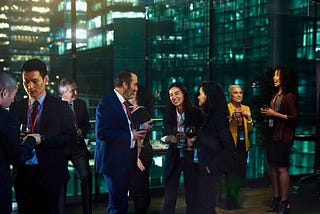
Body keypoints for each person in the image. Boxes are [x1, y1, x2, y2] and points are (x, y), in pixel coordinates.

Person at [9, 58, 77, 214]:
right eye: (26, 82)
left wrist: (43, 138)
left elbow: (70, 138)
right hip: (23, 174)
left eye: (35, 81)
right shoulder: (16, 107)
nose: (30, 87)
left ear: (45, 79)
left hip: (50, 173)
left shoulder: (60, 107)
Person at [94, 69, 153, 214]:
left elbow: (123, 128)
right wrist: (131, 135)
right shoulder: (107, 103)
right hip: (113, 163)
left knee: (118, 204)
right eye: (135, 84)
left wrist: (138, 131)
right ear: (125, 84)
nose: (136, 88)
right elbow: (102, 132)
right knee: (118, 205)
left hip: (123, 162)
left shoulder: (123, 104)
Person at [160, 82, 203, 214]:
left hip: (191, 156)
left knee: (192, 192)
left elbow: (202, 132)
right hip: (174, 155)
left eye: (176, 93)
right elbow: (164, 134)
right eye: (171, 95)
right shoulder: (168, 112)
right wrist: (168, 138)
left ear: (184, 93)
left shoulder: (196, 112)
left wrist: (193, 138)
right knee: (170, 193)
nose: (174, 97)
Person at [0, 72, 39, 214]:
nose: (12, 101)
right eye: (12, 96)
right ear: (4, 93)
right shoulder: (8, 119)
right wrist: (31, 141)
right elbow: (17, 158)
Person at [261, 65, 298, 214]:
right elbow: (274, 114)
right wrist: (268, 114)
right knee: (272, 167)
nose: (274, 78)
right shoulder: (275, 95)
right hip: (272, 134)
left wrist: (274, 114)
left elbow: (293, 117)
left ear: (284, 78)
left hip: (283, 136)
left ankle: (284, 201)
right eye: (274, 75)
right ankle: (276, 198)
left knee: (281, 168)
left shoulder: (290, 96)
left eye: (277, 75)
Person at [196, 81, 234, 214]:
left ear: (208, 96)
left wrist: (211, 166)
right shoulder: (209, 115)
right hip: (205, 167)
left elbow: (229, 146)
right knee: (205, 204)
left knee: (207, 205)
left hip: (210, 169)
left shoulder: (218, 117)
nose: (198, 97)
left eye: (200, 94)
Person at [58, 78, 92, 214]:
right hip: (61, 148)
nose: (76, 92)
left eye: (76, 89)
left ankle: (87, 211)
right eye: (73, 90)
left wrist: (81, 130)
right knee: (61, 179)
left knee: (86, 176)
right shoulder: (55, 107)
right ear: (63, 92)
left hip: (78, 148)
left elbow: (87, 125)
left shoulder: (81, 104)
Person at [225, 85, 253, 209]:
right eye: (235, 93)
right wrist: (231, 118)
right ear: (231, 95)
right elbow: (223, 126)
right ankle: (230, 201)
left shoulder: (246, 108)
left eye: (240, 92)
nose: (239, 95)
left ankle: (234, 197)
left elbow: (250, 128)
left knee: (240, 174)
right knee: (231, 174)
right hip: (231, 146)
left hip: (243, 145)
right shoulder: (226, 108)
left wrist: (249, 118)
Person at [128, 86, 155, 214]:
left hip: (141, 153)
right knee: (139, 187)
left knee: (140, 189)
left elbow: (140, 137)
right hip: (140, 153)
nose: (132, 93)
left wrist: (136, 157)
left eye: (135, 92)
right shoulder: (136, 111)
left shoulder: (141, 112)